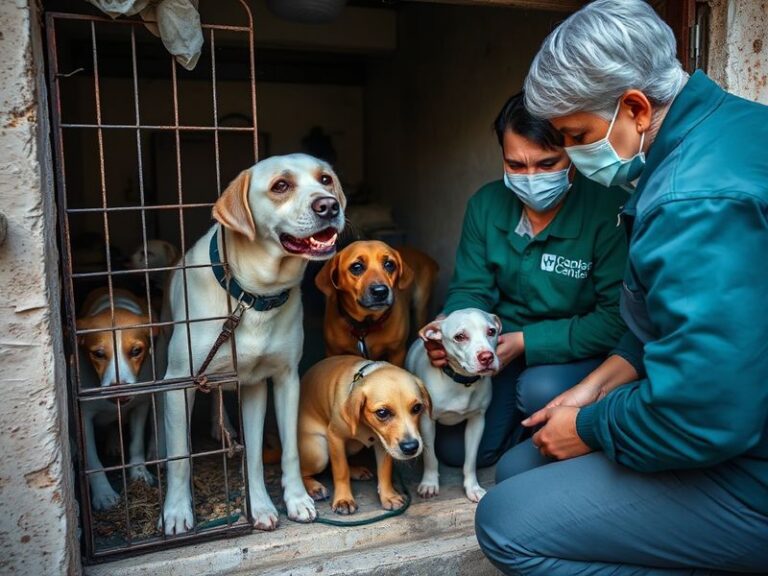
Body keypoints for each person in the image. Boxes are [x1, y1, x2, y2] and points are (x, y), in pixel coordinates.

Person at [475, 1, 768, 575]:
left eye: (577, 135)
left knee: (504, 525)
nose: (578, 158)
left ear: (635, 108)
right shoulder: (732, 127)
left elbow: (703, 416)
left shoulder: (694, 199)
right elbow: (668, 323)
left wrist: (591, 426)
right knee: (515, 466)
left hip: (745, 460)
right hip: (730, 413)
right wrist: (595, 388)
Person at [420, 92, 628, 469]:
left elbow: (615, 318)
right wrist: (454, 328)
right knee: (457, 452)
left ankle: (553, 431)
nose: (531, 178)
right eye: (515, 165)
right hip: (498, 344)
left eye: (547, 163)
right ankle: (525, 432)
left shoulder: (607, 209)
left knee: (539, 390)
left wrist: (527, 343)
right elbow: (471, 288)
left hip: (572, 348)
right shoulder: (486, 205)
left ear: (573, 153)